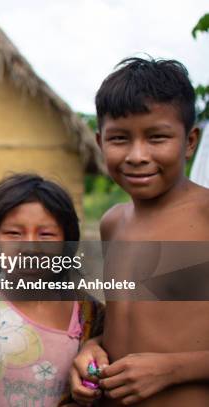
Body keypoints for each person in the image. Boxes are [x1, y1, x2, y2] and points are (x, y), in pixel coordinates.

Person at [70, 57, 209, 406]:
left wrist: (173, 369)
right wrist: (93, 347)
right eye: (120, 139)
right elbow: (126, 321)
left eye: (157, 137)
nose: (137, 155)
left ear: (189, 141)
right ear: (101, 142)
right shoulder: (113, 223)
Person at [0, 174, 103, 406]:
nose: (30, 247)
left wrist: (94, 343)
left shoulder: (88, 313)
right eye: (13, 233)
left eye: (46, 234)